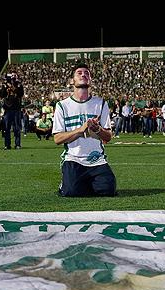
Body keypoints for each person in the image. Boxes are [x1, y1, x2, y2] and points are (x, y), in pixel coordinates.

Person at [52, 63, 115, 197]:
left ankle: (83, 183)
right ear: (71, 81)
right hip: (73, 159)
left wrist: (97, 129)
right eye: (79, 73)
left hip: (96, 159)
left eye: (86, 73)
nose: (83, 75)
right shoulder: (62, 106)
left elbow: (108, 137)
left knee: (108, 190)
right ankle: (71, 183)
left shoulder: (101, 103)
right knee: (70, 192)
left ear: (90, 79)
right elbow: (57, 139)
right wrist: (80, 130)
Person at [0, 73, 24, 150]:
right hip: (7, 109)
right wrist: (5, 87)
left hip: (16, 109)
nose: (11, 80)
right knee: (6, 128)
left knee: (17, 128)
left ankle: (17, 144)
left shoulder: (19, 85)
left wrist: (13, 87)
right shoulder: (5, 85)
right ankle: (7, 145)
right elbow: (2, 95)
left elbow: (20, 94)